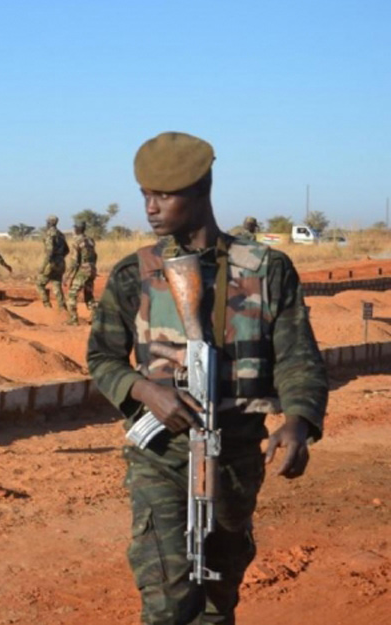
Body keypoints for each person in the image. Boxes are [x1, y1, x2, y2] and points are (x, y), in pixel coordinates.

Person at [87, 131, 328, 625]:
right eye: (145, 195)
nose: (150, 208)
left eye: (164, 195)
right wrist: (145, 391)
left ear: (202, 188)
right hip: (161, 455)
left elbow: (298, 356)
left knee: (218, 600)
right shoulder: (135, 274)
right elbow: (102, 357)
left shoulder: (267, 269)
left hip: (236, 453)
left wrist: (298, 420)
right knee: (169, 599)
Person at [63, 222, 98, 325]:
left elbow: (74, 262)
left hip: (83, 270)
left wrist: (67, 275)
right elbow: (95, 256)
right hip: (92, 269)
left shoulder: (76, 241)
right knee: (89, 294)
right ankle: (96, 317)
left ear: (77, 229)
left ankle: (73, 319)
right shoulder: (90, 240)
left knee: (72, 295)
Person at [35, 215, 69, 309]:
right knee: (57, 284)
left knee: (39, 284)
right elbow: (67, 250)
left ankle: (47, 306)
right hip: (61, 263)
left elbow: (49, 252)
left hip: (51, 263)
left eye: (47, 222)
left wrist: (43, 266)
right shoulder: (61, 234)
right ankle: (62, 308)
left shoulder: (49, 234)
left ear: (50, 223)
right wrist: (60, 257)